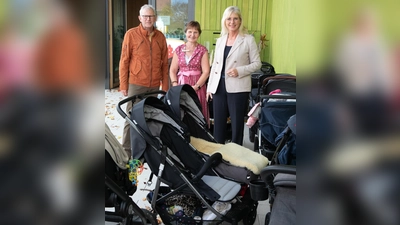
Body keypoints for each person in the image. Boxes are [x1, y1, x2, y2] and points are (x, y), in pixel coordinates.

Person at [119, 4, 169, 157]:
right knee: (130, 118)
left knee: (149, 118)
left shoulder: (160, 37)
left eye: (151, 16)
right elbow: (124, 61)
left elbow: (164, 63)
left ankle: (145, 151)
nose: (148, 19)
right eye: (145, 16)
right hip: (136, 84)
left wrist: (165, 86)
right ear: (140, 18)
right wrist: (123, 84)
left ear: (155, 18)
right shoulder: (131, 34)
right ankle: (126, 152)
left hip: (154, 85)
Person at [206, 6, 261, 145]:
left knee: (236, 125)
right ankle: (219, 155)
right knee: (218, 124)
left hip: (238, 87)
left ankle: (236, 155)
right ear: (224, 21)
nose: (232, 22)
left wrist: (239, 70)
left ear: (240, 20)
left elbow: (257, 64)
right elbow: (215, 66)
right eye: (229, 18)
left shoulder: (248, 40)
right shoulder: (220, 40)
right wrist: (210, 87)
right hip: (219, 87)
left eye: (235, 18)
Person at [169, 21, 210, 124]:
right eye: (190, 32)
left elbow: (206, 71)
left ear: (199, 34)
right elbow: (173, 70)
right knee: (182, 111)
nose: (192, 35)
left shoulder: (202, 50)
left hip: (197, 85)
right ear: (185, 33)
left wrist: (196, 87)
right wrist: (175, 84)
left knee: (197, 111)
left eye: (195, 32)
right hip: (181, 85)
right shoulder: (178, 50)